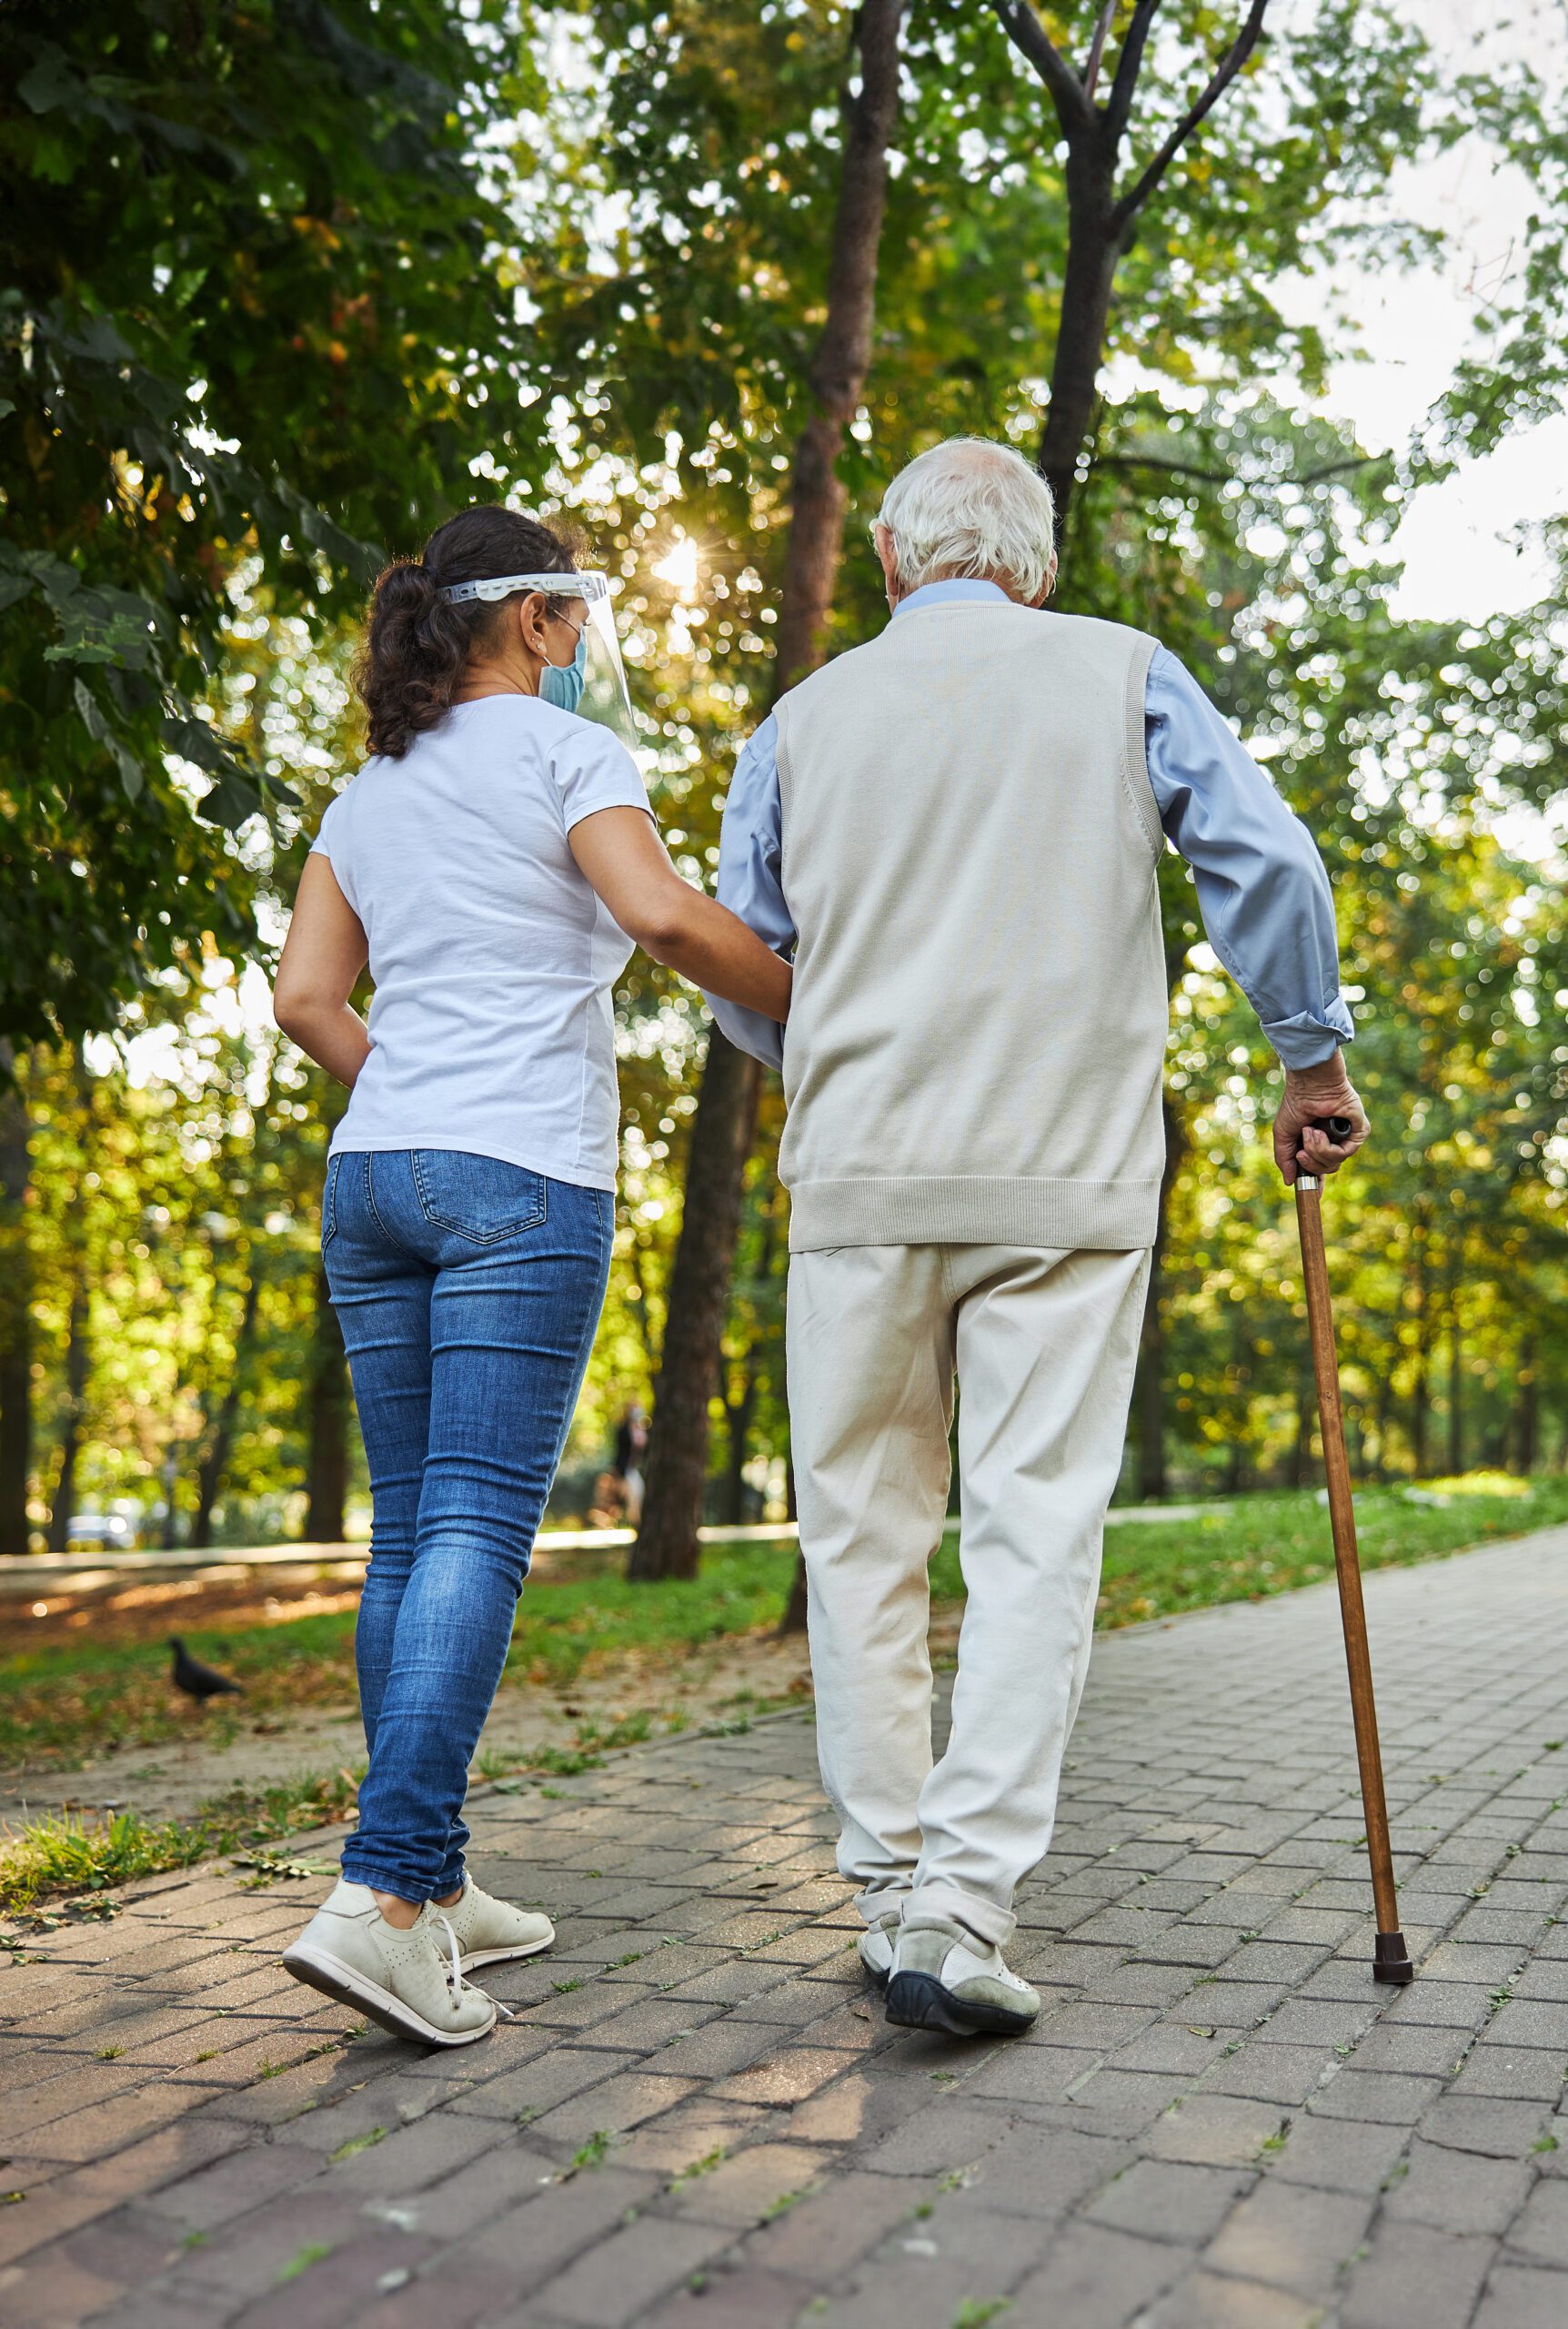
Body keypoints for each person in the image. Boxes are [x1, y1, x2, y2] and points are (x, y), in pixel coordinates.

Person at [707, 438, 1368, 2039]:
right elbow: (1261, 858)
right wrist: (1310, 1055)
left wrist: (849, 1064)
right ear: (1039, 566)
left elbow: (738, 953)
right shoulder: (1122, 672)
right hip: (1061, 1185)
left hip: (862, 1178)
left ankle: (884, 1887)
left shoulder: (799, 722)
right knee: (1033, 1535)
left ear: (887, 563)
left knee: (857, 1539)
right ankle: (966, 1903)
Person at [272, 505, 790, 2046]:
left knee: (406, 1534)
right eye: (580, 615)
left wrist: (410, 1093)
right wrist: (824, 1014)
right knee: (482, 1531)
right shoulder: (571, 759)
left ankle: (434, 1878)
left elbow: (309, 1000)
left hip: (376, 1174)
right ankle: (381, 1899)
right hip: (521, 1179)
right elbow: (662, 917)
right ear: (543, 622)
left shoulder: (368, 788)